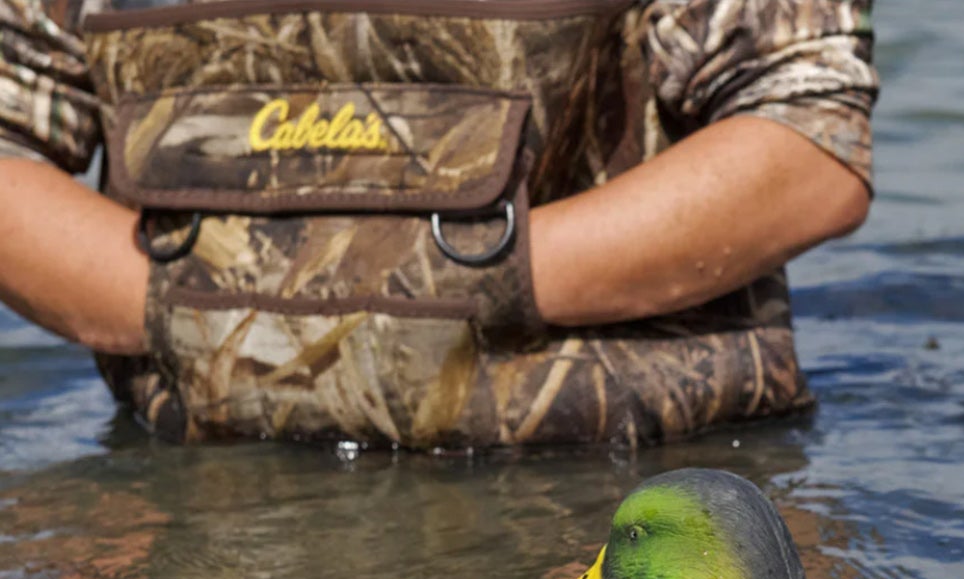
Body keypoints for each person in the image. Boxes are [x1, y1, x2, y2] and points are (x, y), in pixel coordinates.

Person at [0, 0, 876, 447]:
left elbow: (808, 151)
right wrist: (208, 314)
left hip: (615, 498)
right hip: (195, 480)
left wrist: (453, 291)